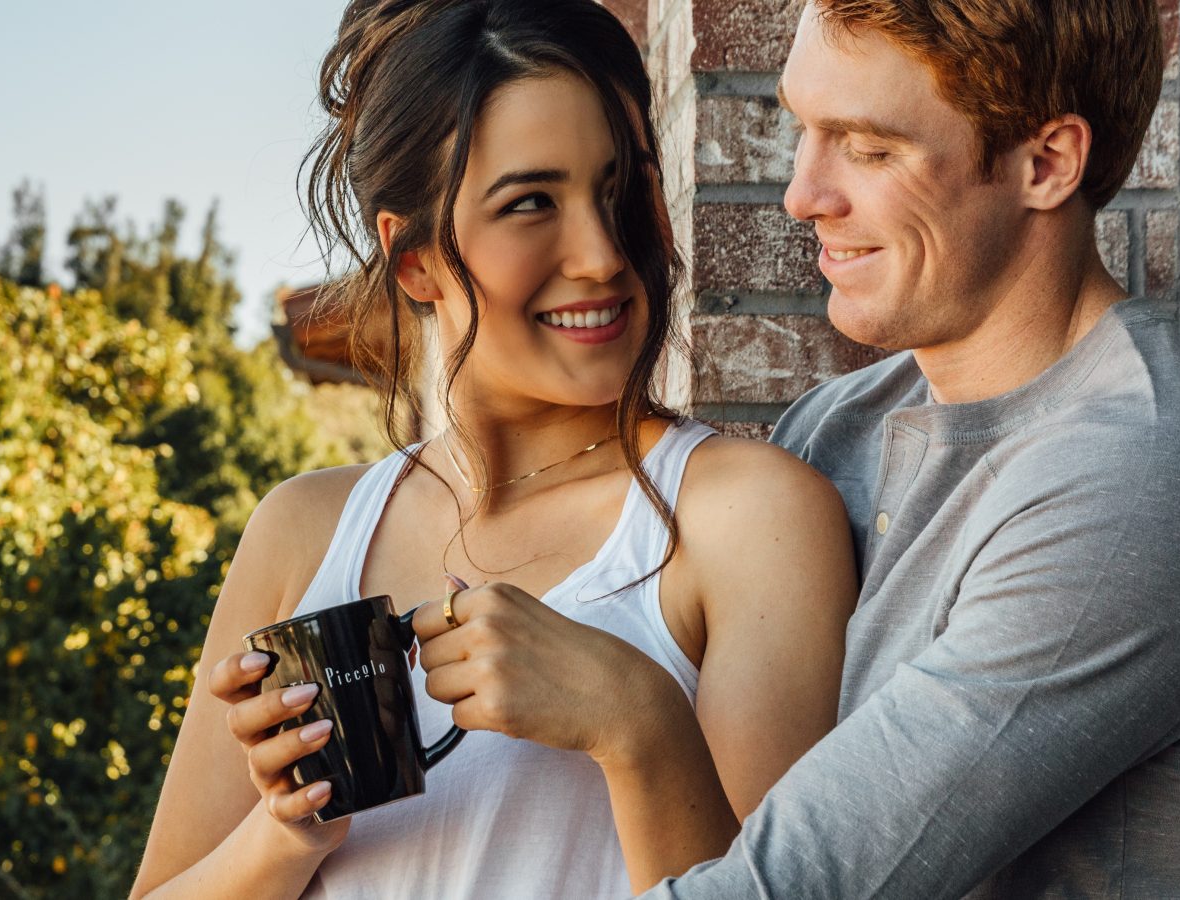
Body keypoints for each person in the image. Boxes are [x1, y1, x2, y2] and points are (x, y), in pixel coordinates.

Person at [127, 1, 856, 897]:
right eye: (530, 203)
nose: (601, 254)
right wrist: (288, 834)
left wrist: (636, 723)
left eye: (623, 186)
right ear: (416, 260)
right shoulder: (307, 530)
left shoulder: (748, 517)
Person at [638, 2, 1180, 897]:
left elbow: (797, 884)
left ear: (1045, 164)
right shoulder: (833, 429)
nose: (802, 194)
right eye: (801, 127)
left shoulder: (1147, 477)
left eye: (868, 147)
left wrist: (631, 719)